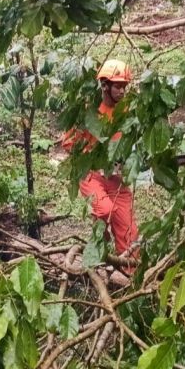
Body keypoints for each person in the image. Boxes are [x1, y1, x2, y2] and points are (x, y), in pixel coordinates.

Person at [62, 59, 140, 268]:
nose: (122, 91)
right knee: (104, 209)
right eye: (118, 86)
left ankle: (129, 277)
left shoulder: (126, 111)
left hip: (116, 177)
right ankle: (100, 254)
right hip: (92, 174)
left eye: (124, 86)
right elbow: (68, 142)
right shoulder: (90, 111)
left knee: (130, 232)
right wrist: (93, 155)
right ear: (105, 85)